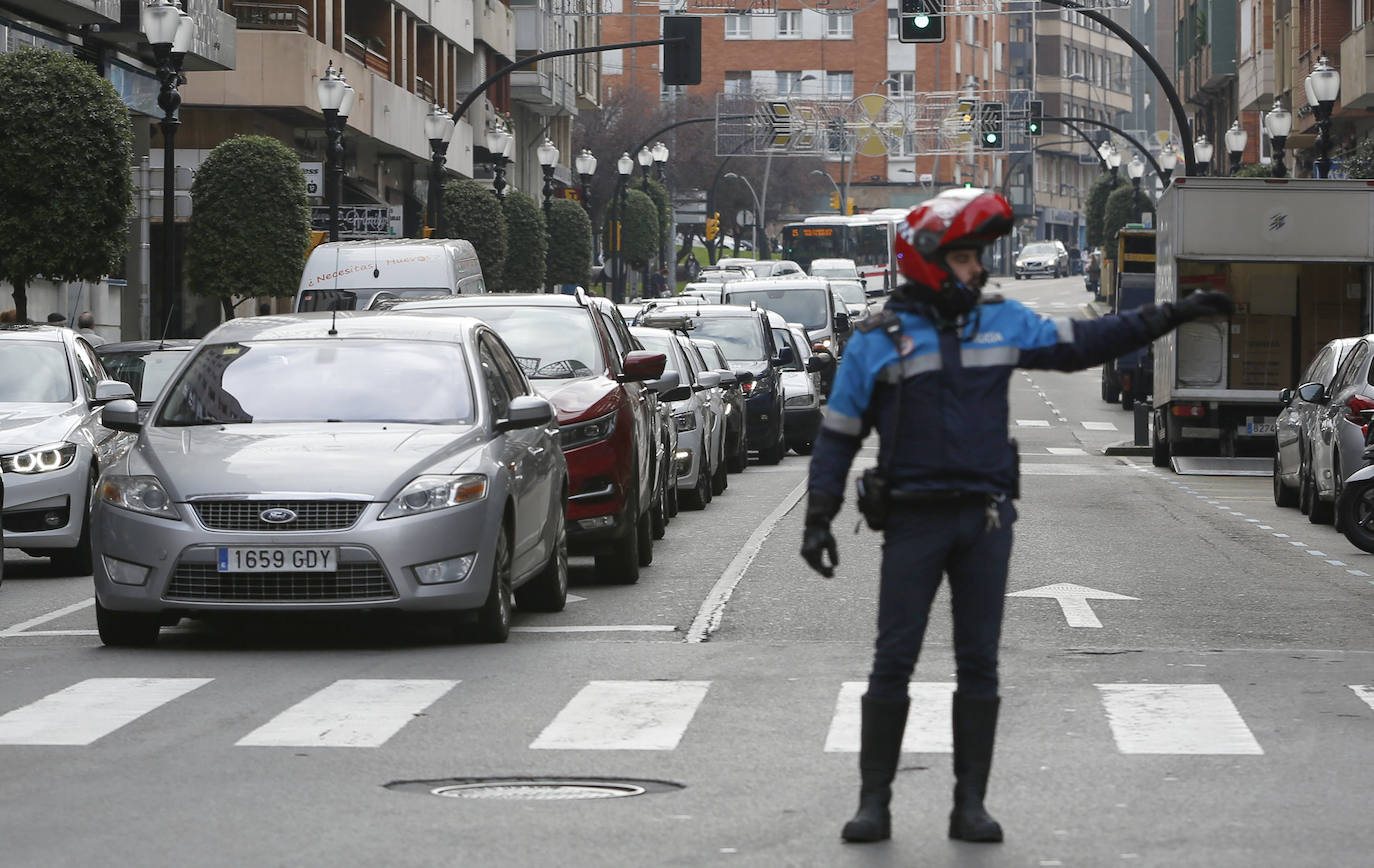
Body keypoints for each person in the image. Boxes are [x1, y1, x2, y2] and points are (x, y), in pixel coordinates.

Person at [800, 188, 1233, 847]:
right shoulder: (876, 340)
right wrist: (819, 516)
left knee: (980, 663)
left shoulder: (998, 323)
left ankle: (969, 806)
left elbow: (1087, 341)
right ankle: (874, 804)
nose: (979, 270)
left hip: (985, 521)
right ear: (930, 262)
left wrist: (1171, 315)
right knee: (894, 661)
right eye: (968, 258)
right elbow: (836, 436)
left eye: (979, 258)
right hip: (913, 521)